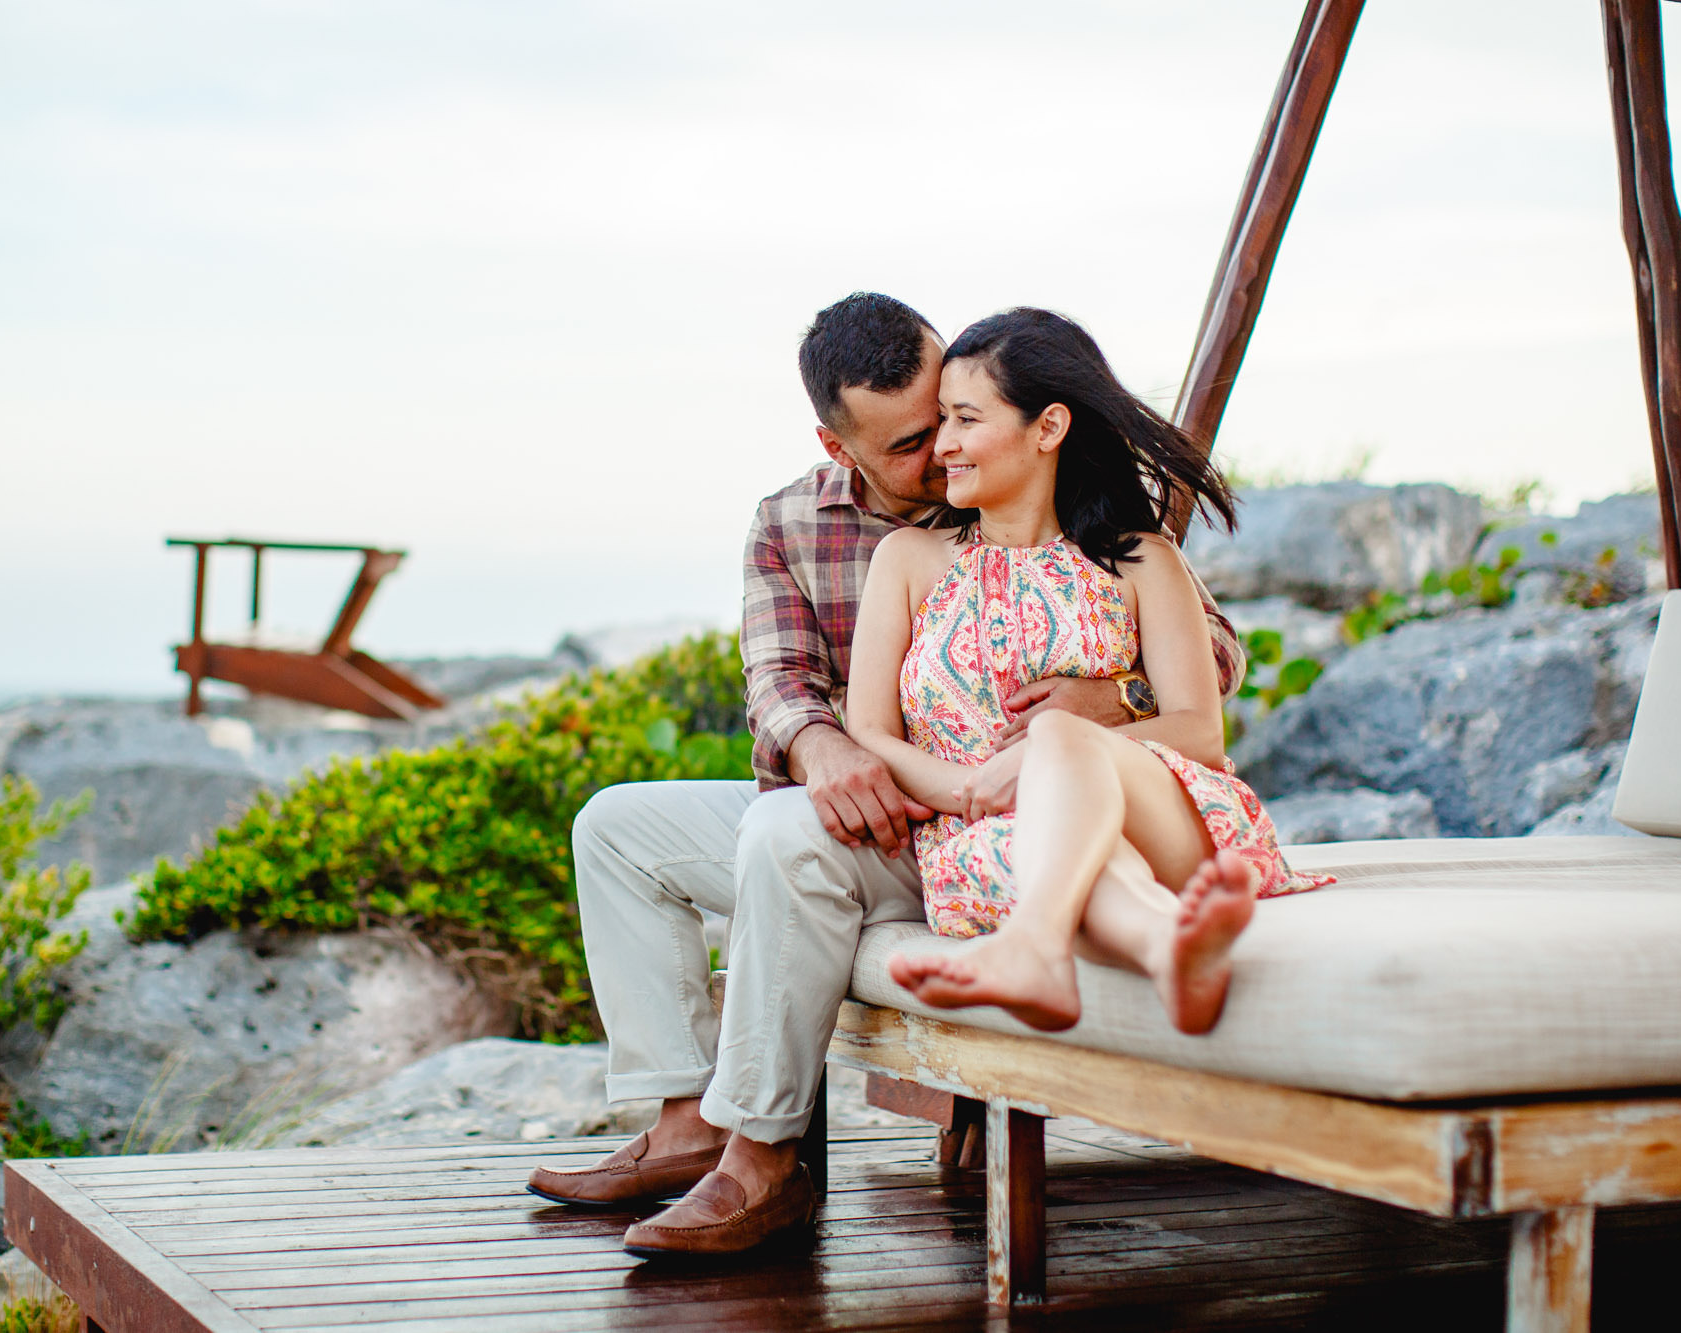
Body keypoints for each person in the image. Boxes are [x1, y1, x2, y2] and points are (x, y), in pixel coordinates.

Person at [525, 293, 1247, 1259]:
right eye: (911, 441)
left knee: (786, 838)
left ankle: (759, 1162)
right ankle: (685, 1122)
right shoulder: (798, 524)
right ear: (838, 445)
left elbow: (1213, 659)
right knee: (617, 827)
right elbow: (780, 683)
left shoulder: (1057, 489)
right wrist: (826, 750)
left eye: (950, 412)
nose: (939, 454)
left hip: (1019, 798)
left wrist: (1108, 695)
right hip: (891, 796)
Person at [845, 307, 1330, 1040]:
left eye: (966, 420)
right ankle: (1165, 945)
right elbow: (869, 730)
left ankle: (1036, 951)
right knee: (1064, 849)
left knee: (1063, 739)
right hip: (983, 838)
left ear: (1048, 428)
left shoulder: (1141, 558)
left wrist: (1046, 756)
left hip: (1171, 814)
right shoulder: (908, 563)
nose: (943, 445)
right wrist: (979, 789)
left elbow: (1199, 732)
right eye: (942, 419)